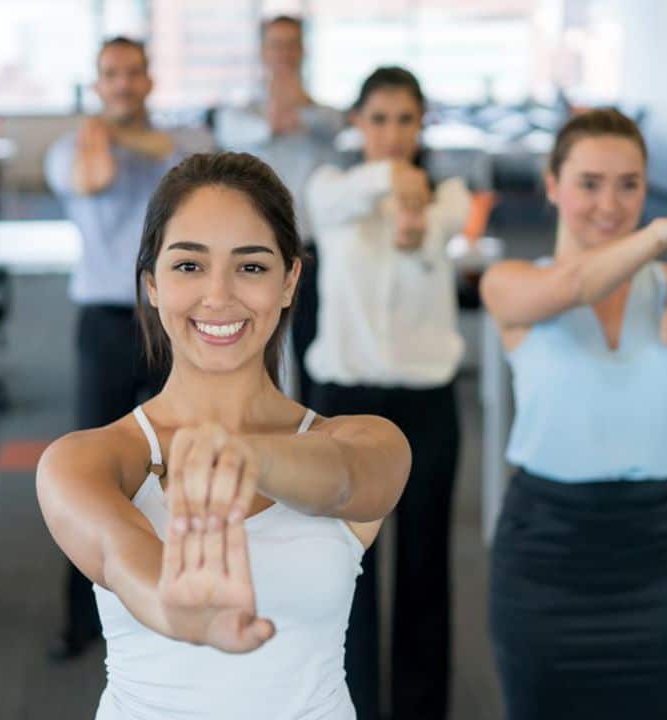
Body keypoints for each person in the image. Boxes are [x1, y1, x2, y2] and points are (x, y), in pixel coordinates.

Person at [36, 151, 411, 719]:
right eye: (189, 265)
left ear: (289, 281)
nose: (218, 295)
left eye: (251, 267)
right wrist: (180, 611)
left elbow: (343, 483)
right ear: (152, 284)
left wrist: (243, 456)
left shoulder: (366, 441)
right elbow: (120, 556)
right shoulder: (87, 460)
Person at [480, 108, 667, 720]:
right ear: (552, 185)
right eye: (589, 183)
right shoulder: (509, 281)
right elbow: (572, 288)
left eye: (629, 185)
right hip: (545, 550)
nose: (610, 205)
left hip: (655, 551)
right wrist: (656, 234)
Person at [305, 66, 471, 720]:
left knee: (425, 563)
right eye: (379, 119)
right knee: (345, 571)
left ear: (423, 123)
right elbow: (331, 207)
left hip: (426, 402)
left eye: (406, 119)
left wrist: (410, 203)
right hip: (344, 403)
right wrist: (389, 179)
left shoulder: (448, 196)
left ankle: (421, 708)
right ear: (357, 122)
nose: (393, 132)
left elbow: (429, 229)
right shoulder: (331, 186)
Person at [43, 36, 212, 660]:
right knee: (92, 471)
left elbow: (195, 168)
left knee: (185, 462)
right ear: (98, 83)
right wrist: (107, 138)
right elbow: (95, 178)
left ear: (148, 81)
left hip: (174, 323)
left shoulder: (182, 141)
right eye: (111, 74)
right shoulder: (70, 150)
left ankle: (187, 599)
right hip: (106, 324)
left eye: (132, 72)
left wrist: (121, 134)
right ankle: (82, 619)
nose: (122, 83)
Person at [213, 15, 343, 403]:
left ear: (303, 51)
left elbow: (332, 125)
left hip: (312, 251)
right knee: (255, 346)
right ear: (262, 52)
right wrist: (277, 119)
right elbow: (239, 129)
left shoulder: (324, 117)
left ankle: (315, 432)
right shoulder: (239, 116)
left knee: (313, 347)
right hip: (254, 253)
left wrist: (298, 110)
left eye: (291, 44)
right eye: (276, 45)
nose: (284, 54)